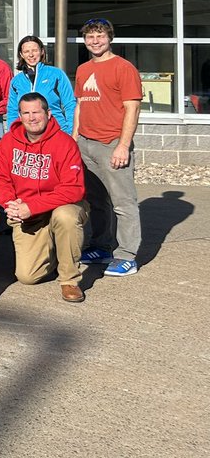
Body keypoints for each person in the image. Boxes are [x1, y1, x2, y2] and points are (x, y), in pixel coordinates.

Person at [0, 93, 89, 303]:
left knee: (65, 217)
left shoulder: (65, 144)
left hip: (61, 206)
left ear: (48, 113)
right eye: (26, 113)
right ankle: (53, 250)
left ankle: (69, 279)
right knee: (28, 276)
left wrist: (32, 206)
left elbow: (73, 189)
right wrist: (11, 204)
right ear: (19, 115)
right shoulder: (9, 141)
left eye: (36, 112)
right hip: (27, 212)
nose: (31, 118)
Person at [73, 17, 143, 278]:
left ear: (110, 38)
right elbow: (81, 105)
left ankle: (126, 255)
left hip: (112, 143)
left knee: (123, 202)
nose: (95, 41)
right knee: (97, 201)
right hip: (86, 144)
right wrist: (75, 138)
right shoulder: (82, 70)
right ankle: (100, 246)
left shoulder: (123, 68)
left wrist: (123, 146)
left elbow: (132, 108)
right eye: (90, 37)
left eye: (100, 36)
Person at [6, 35, 76, 134]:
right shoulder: (16, 81)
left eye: (34, 50)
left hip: (56, 132)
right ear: (21, 54)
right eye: (26, 51)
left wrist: (70, 132)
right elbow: (12, 110)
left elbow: (70, 104)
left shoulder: (56, 74)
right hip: (27, 134)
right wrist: (12, 133)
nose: (31, 55)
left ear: (42, 51)